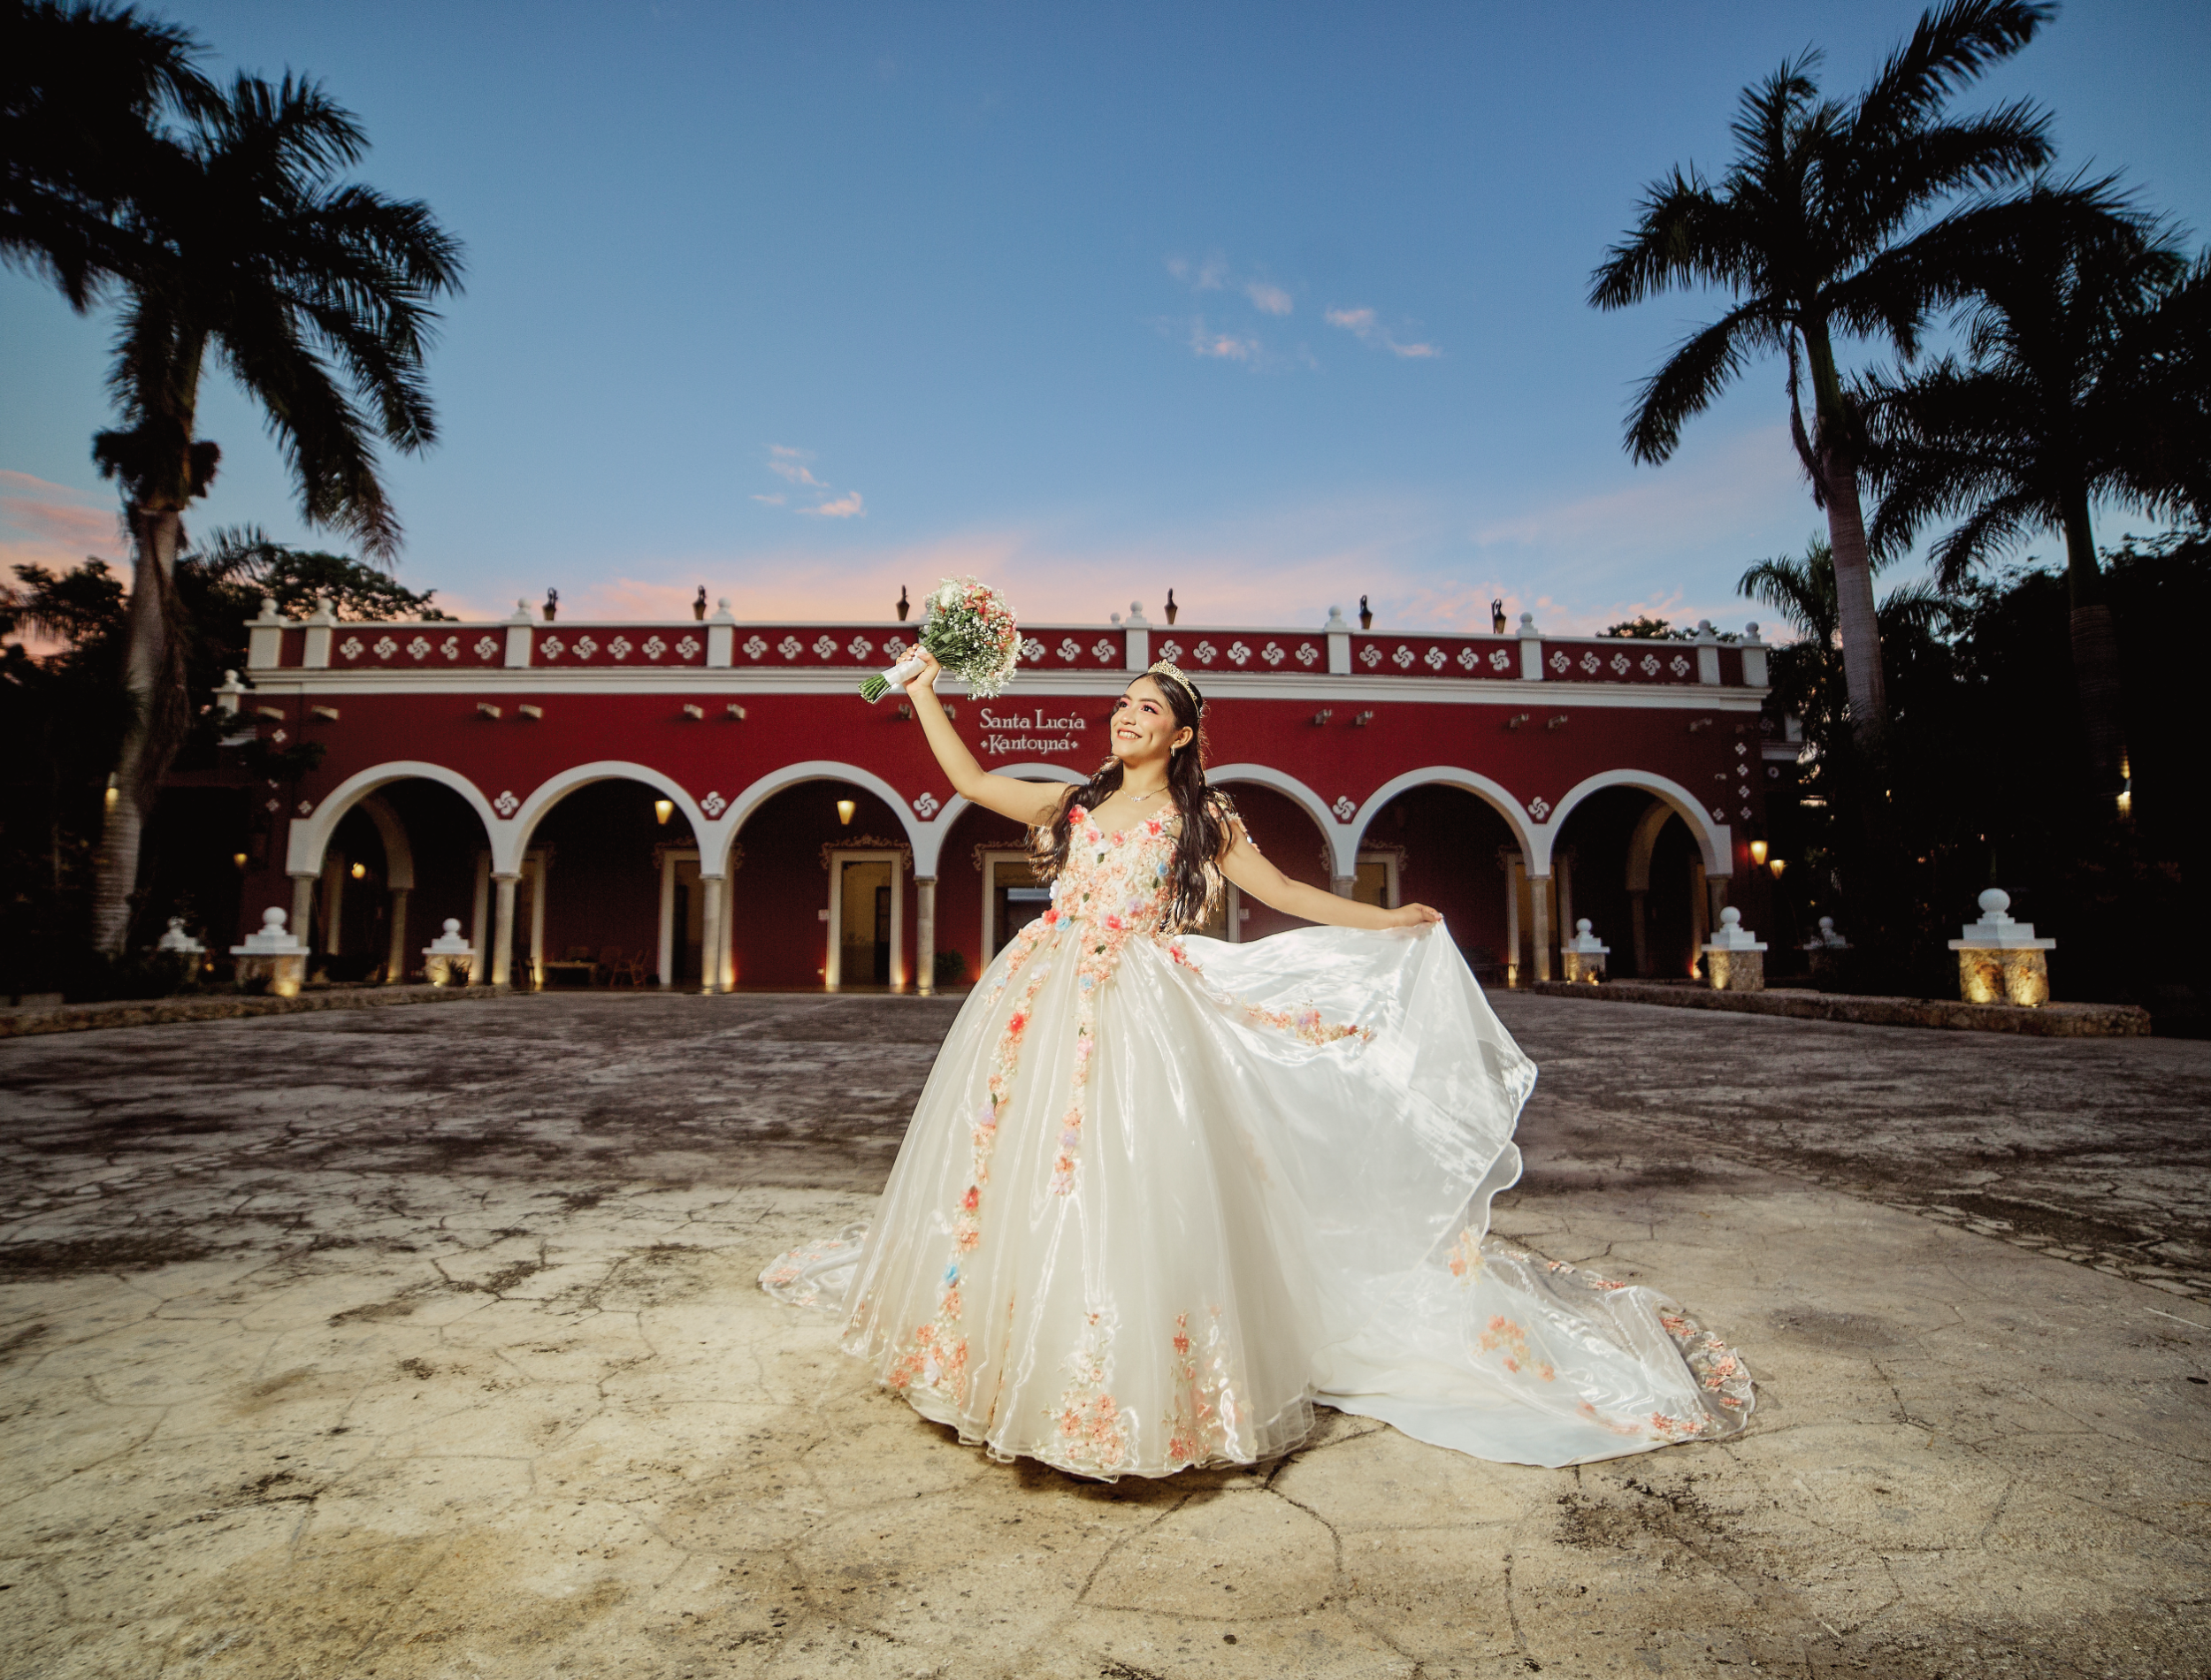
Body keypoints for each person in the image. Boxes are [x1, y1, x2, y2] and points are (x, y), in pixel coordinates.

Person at [761, 653, 1751, 1477]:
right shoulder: (1072, 799)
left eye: (1147, 710)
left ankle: (1124, 1383)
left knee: (1132, 1176)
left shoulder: (1206, 818)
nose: (1125, 718)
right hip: (1038, 994)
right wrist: (924, 688)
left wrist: (1386, 917)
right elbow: (973, 782)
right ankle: (999, 1350)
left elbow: (1282, 890)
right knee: (1020, 1164)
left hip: (1137, 1008)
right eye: (1121, 705)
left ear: (1182, 734)